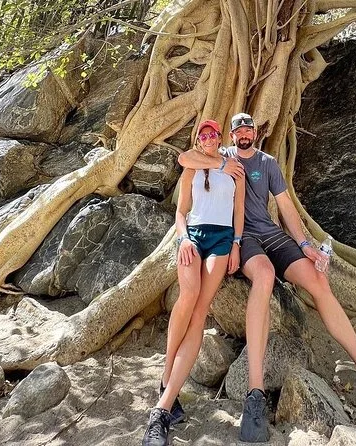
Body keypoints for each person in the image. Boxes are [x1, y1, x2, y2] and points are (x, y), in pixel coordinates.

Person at [178, 113, 356, 443]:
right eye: (238, 130)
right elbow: (187, 158)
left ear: (256, 133)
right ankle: (255, 394)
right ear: (231, 136)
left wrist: (305, 244)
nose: (244, 134)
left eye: (249, 129)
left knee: (319, 283)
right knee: (264, 276)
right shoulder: (223, 156)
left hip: (271, 234)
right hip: (242, 238)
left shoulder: (268, 163)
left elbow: (286, 206)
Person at [143, 120, 245, 446]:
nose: (208, 137)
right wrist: (184, 239)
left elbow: (239, 210)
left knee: (200, 310)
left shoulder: (235, 169)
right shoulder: (192, 166)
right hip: (194, 237)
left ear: (220, 137)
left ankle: (162, 406)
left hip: (222, 239)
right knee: (188, 295)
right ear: (199, 140)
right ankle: (167, 378)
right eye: (203, 134)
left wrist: (236, 245)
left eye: (213, 133)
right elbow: (181, 212)